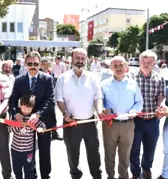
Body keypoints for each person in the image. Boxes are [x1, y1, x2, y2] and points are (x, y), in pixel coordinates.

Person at [55, 48, 103, 179]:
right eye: (78, 58)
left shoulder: (93, 78)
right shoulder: (62, 79)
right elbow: (59, 99)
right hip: (71, 123)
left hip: (90, 122)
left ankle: (96, 176)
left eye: (83, 58)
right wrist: (65, 112)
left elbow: (98, 97)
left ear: (86, 60)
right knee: (72, 153)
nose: (80, 61)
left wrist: (99, 110)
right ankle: (76, 175)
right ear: (72, 59)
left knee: (94, 152)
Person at [10, 51, 54, 179]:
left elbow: (50, 99)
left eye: (36, 63)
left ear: (40, 64)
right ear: (25, 64)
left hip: (43, 120)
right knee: (29, 151)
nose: (33, 66)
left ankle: (46, 175)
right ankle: (32, 175)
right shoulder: (19, 80)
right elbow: (13, 99)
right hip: (24, 122)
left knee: (45, 150)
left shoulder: (47, 79)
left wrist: (38, 114)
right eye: (30, 63)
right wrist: (16, 113)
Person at [101, 56, 143, 179]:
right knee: (109, 154)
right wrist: (104, 109)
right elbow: (100, 101)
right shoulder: (104, 84)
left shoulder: (133, 84)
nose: (118, 68)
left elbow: (139, 102)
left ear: (126, 67)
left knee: (125, 155)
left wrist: (134, 111)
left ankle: (123, 176)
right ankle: (110, 176)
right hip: (110, 125)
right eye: (115, 66)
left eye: (121, 65)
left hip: (128, 124)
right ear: (110, 68)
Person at [129, 50, 165, 179]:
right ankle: (135, 172)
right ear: (139, 61)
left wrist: (159, 106)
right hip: (135, 120)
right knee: (134, 148)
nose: (146, 63)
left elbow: (161, 96)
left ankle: (146, 168)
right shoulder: (131, 77)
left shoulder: (159, 78)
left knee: (150, 149)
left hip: (152, 120)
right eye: (143, 60)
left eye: (149, 61)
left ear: (154, 62)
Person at [10, 94, 46, 179]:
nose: (26, 111)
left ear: (32, 109)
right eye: (24, 108)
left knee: (29, 170)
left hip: (28, 151)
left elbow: (42, 124)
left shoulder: (32, 119)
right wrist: (18, 125)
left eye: (29, 109)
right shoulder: (16, 117)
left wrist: (42, 129)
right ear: (20, 106)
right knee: (17, 170)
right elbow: (10, 130)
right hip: (16, 150)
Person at [40, 58, 63, 140]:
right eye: (43, 64)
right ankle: (43, 134)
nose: (45, 66)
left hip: (51, 99)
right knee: (41, 118)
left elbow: (53, 86)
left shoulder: (51, 73)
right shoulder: (38, 73)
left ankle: (54, 133)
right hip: (41, 99)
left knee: (52, 117)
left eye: (47, 64)